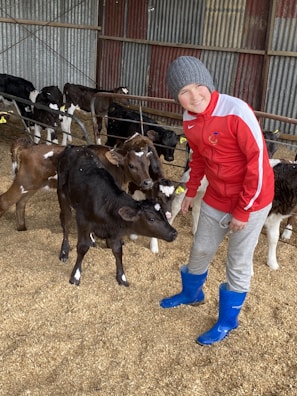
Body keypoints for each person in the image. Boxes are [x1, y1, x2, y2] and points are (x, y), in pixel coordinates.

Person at [160, 56, 274, 345]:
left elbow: (257, 162)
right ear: (178, 99)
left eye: (199, 86)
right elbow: (198, 155)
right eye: (184, 92)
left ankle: (227, 321)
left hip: (253, 200)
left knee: (237, 261)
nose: (194, 95)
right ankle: (192, 293)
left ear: (209, 84)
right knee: (200, 249)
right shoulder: (189, 119)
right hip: (216, 195)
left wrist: (244, 209)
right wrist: (190, 190)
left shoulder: (236, 111)